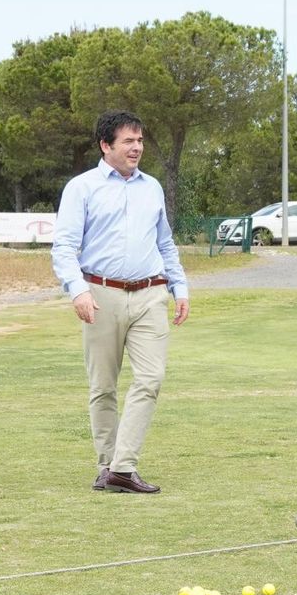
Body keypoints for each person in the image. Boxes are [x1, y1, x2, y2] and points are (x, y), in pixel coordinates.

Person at [52, 110, 190, 494]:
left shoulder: (153, 188)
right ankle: (107, 466)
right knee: (103, 386)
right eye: (128, 141)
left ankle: (123, 467)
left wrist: (180, 287)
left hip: (150, 294)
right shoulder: (81, 188)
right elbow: (63, 246)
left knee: (152, 378)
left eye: (140, 141)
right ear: (105, 145)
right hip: (100, 294)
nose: (137, 148)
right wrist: (77, 289)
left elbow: (165, 242)